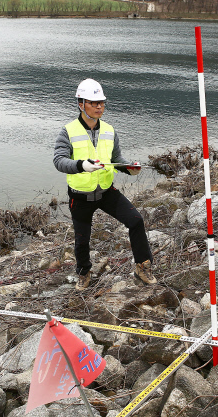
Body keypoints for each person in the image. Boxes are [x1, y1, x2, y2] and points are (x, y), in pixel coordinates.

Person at [53, 78, 157, 291]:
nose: (100, 106)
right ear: (81, 103)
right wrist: (82, 165)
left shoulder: (109, 130)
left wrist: (129, 168)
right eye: (94, 102)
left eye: (101, 102)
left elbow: (116, 159)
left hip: (106, 192)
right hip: (80, 196)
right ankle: (84, 273)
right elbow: (59, 161)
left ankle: (142, 266)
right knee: (82, 240)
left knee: (136, 221)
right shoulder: (68, 131)